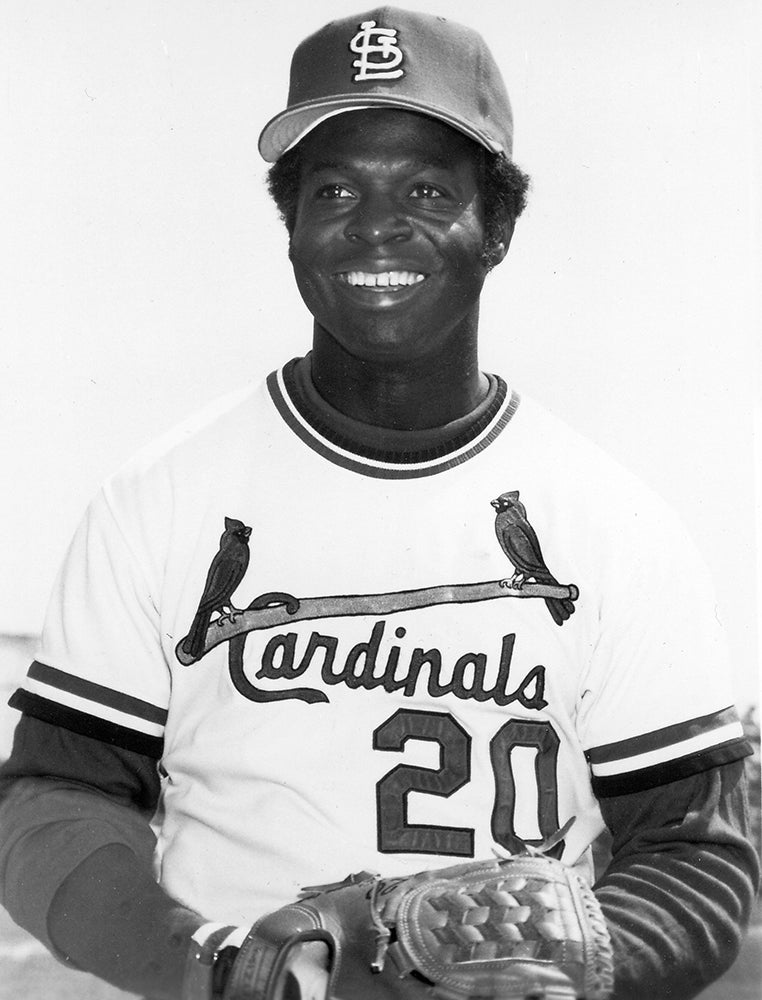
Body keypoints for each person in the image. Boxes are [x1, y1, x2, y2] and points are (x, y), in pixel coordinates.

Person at [0, 7, 758, 1000]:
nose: (376, 224)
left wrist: (570, 970)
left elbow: (695, 859)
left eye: (429, 189)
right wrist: (212, 968)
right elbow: (54, 799)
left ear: (498, 228)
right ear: (293, 227)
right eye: (336, 189)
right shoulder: (161, 500)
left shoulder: (616, 528)